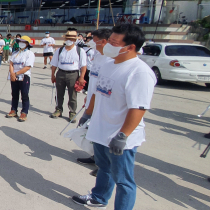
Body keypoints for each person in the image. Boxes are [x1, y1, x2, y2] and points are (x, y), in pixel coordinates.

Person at [72, 24, 156, 210]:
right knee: (104, 168)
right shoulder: (109, 64)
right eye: (109, 41)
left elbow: (138, 108)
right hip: (101, 131)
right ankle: (99, 197)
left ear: (130, 47)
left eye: (113, 42)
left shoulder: (139, 72)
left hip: (119, 136)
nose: (108, 45)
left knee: (123, 180)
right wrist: (88, 114)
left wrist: (123, 135)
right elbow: (97, 93)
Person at [76, 28, 113, 173]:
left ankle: (104, 165)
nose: (91, 42)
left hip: (102, 103)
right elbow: (94, 81)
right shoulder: (98, 55)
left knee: (104, 135)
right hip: (92, 99)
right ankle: (95, 156)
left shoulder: (111, 60)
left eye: (93, 39)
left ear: (103, 41)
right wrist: (88, 97)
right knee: (92, 131)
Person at [50, 28, 87, 122]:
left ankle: (72, 112)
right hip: (61, 72)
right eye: (67, 38)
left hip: (73, 74)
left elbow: (83, 65)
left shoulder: (80, 51)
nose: (69, 41)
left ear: (75, 40)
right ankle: (58, 109)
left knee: (72, 95)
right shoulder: (60, 50)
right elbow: (54, 64)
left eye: (71, 39)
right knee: (59, 93)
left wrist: (82, 76)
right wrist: (52, 75)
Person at [6, 36, 36, 122]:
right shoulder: (15, 53)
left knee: (24, 94)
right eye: (20, 41)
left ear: (27, 44)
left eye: (24, 42)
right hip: (14, 76)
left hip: (24, 76)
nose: (21, 43)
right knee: (14, 94)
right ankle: (14, 110)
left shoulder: (30, 54)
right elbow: (11, 64)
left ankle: (24, 112)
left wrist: (16, 73)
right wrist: (12, 74)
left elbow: (27, 67)